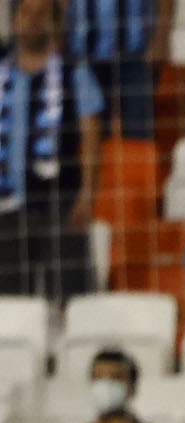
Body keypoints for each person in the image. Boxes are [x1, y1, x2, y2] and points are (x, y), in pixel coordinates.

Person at [0, 0, 103, 303]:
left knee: (71, 300)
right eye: (26, 13)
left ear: (55, 22)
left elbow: (92, 136)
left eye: (42, 14)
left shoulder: (74, 70)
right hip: (5, 209)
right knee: (9, 308)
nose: (33, 21)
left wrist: (87, 194)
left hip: (60, 206)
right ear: (14, 19)